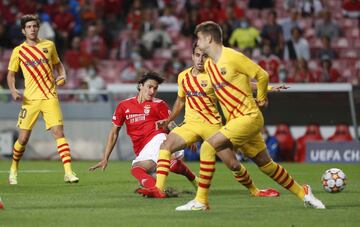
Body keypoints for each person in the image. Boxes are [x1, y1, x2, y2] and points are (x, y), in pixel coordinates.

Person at [176, 21, 325, 211]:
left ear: (209, 39)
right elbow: (241, 83)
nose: (197, 42)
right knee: (266, 165)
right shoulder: (211, 66)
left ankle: (201, 201)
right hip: (236, 121)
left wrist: (262, 97)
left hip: (248, 117)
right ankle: (304, 192)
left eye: (199, 38)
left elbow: (261, 75)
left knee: (207, 147)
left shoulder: (232, 56)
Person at [137, 42, 280, 199]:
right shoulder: (183, 77)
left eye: (204, 56)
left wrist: (267, 87)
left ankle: (255, 190)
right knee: (166, 146)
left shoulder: (215, 75)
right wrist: (168, 120)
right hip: (190, 125)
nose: (200, 59)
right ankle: (159, 188)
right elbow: (180, 101)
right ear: (192, 56)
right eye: (197, 55)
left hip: (212, 126)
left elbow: (241, 84)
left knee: (232, 164)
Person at [89, 72, 197, 192]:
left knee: (166, 161)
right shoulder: (124, 106)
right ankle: (191, 180)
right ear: (140, 86)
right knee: (137, 169)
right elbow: (114, 132)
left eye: (155, 88)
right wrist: (105, 158)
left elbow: (170, 123)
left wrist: (184, 137)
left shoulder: (158, 104)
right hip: (142, 148)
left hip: (158, 138)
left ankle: (157, 190)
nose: (152, 91)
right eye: (149, 87)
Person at [6, 14, 79, 184]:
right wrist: (13, 90)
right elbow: (11, 74)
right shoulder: (19, 51)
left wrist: (62, 75)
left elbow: (58, 64)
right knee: (23, 138)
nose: (32, 29)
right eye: (29, 27)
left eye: (34, 26)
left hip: (49, 96)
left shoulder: (49, 45)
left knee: (59, 132)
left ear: (38, 28)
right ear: (23, 31)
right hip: (30, 100)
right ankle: (13, 169)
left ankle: (68, 172)